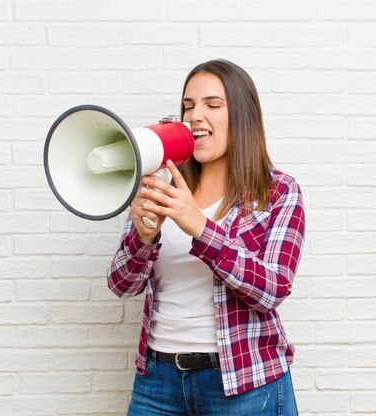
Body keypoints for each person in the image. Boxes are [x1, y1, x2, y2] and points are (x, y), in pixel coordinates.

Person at [107, 59, 305, 415]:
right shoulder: (161, 183)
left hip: (246, 384)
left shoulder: (278, 192)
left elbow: (272, 289)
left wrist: (198, 225)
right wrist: (144, 237)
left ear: (242, 117)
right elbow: (121, 285)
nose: (196, 115)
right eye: (188, 105)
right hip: (157, 382)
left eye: (213, 105)